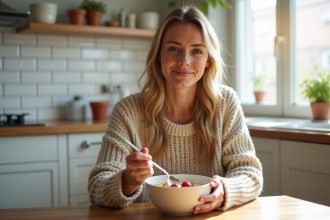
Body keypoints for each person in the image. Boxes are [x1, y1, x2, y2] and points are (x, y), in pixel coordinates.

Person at [88, 5, 263, 214]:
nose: (184, 61)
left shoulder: (226, 103)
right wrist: (127, 180)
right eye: (173, 48)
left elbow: (250, 173)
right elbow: (96, 186)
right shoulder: (127, 111)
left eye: (196, 51)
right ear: (159, 54)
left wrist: (226, 190)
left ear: (208, 60)